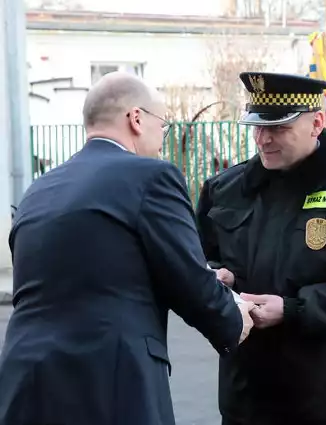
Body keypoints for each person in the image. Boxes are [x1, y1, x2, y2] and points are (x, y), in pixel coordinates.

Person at [0, 72, 254, 425]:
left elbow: (88, 273)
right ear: (136, 119)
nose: (163, 139)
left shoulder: (39, 189)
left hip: (25, 382)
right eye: (162, 126)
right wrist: (234, 316)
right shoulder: (150, 176)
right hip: (110, 385)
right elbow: (188, 277)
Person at [195, 71, 326, 425]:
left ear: (317, 123)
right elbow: (199, 261)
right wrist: (216, 278)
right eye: (258, 127)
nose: (263, 140)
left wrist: (293, 310)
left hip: (322, 397)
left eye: (278, 128)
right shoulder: (225, 189)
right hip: (244, 393)